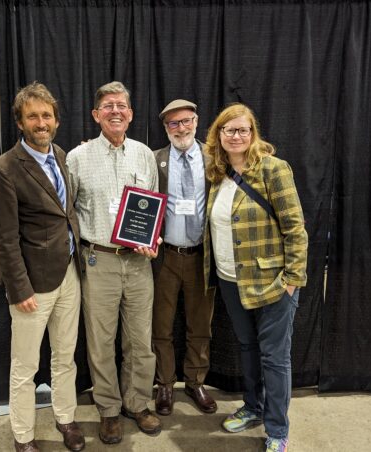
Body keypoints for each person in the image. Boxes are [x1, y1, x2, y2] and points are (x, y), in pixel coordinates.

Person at [203, 103, 308, 452]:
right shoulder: (218, 175)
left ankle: (277, 430)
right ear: (219, 134)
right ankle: (253, 407)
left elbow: (295, 227)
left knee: (274, 358)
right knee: (248, 348)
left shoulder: (273, 170)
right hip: (231, 280)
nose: (236, 136)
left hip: (273, 282)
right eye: (229, 130)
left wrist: (292, 278)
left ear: (253, 134)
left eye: (243, 130)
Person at [0, 82, 85, 452]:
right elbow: (4, 238)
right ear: (20, 122)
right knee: (24, 367)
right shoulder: (5, 169)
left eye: (46, 115)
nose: (41, 122)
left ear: (56, 120)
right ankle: (24, 437)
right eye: (33, 116)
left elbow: (64, 213)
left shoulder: (59, 154)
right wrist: (20, 288)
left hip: (70, 275)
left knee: (65, 357)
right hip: (32, 286)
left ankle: (65, 419)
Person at [66, 81, 161, 444]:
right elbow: (68, 211)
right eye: (108, 106)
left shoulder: (144, 155)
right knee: (101, 341)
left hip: (139, 264)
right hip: (98, 260)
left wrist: (152, 240)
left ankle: (137, 403)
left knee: (140, 340)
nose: (115, 111)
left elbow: (152, 207)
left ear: (131, 113)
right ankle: (107, 408)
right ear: (96, 114)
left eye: (121, 105)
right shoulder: (78, 158)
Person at [151, 99, 217, 416]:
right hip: (164, 257)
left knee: (200, 325)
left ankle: (195, 381)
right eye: (173, 124)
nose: (181, 128)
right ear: (166, 128)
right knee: (160, 326)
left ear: (196, 120)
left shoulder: (215, 158)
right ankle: (164, 383)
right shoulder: (154, 160)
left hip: (201, 258)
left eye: (186, 121)